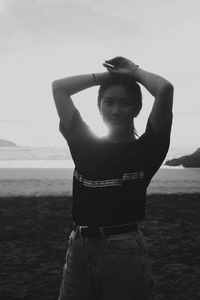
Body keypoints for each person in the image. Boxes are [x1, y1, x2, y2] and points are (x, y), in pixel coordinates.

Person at [52, 56, 174, 300]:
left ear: (137, 109)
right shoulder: (83, 142)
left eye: (124, 103)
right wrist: (110, 77)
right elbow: (59, 88)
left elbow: (164, 89)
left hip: (124, 250)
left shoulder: (148, 150)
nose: (116, 110)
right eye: (108, 102)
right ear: (99, 106)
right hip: (78, 247)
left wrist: (133, 72)